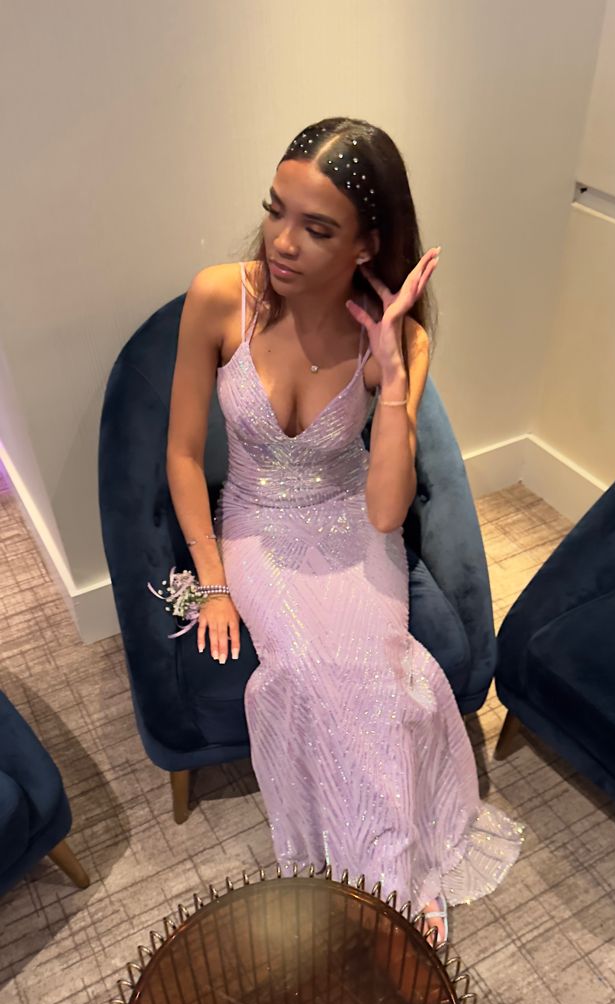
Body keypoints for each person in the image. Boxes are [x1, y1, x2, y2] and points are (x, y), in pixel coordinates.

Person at [166, 116, 523, 945]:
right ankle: (377, 887)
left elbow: (385, 511)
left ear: (367, 244)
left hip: (351, 522)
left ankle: (385, 888)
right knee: (304, 670)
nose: (281, 241)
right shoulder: (220, 297)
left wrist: (391, 373)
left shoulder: (401, 338)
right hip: (256, 523)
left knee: (382, 678)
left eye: (316, 228)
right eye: (275, 210)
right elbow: (182, 456)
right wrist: (212, 584)